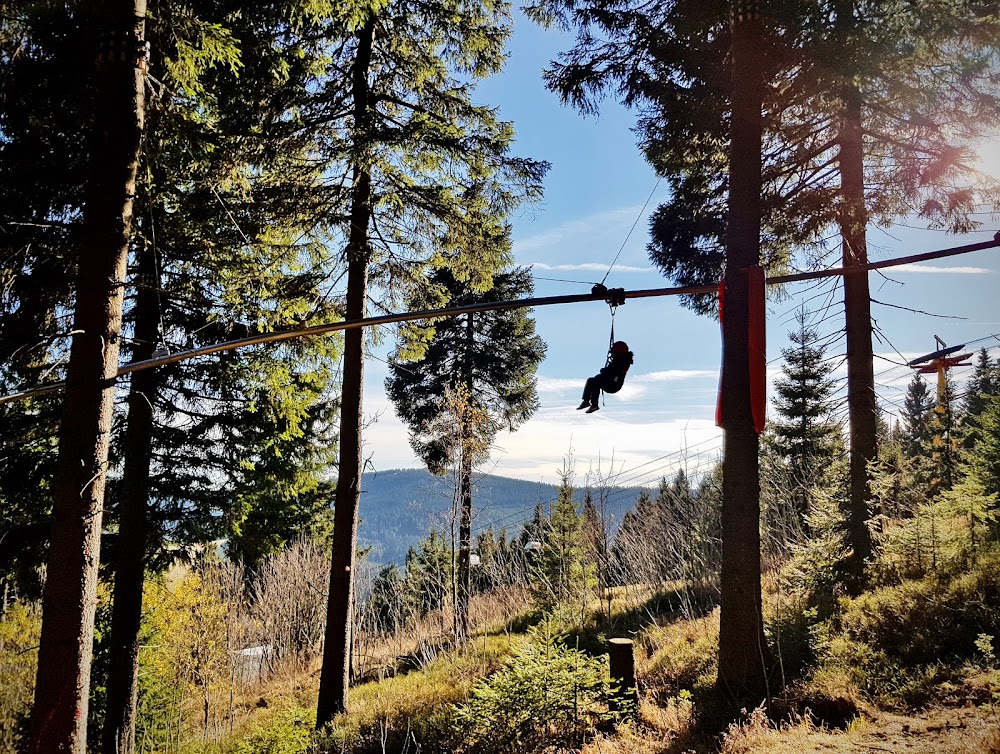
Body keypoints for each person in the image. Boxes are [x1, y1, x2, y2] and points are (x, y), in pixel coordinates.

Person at [578, 341, 633, 413]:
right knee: (593, 380)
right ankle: (587, 401)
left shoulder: (622, 362)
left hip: (613, 385)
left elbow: (612, 371)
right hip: (611, 382)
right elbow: (611, 370)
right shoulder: (619, 361)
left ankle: (592, 404)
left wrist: (603, 370)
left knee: (595, 381)